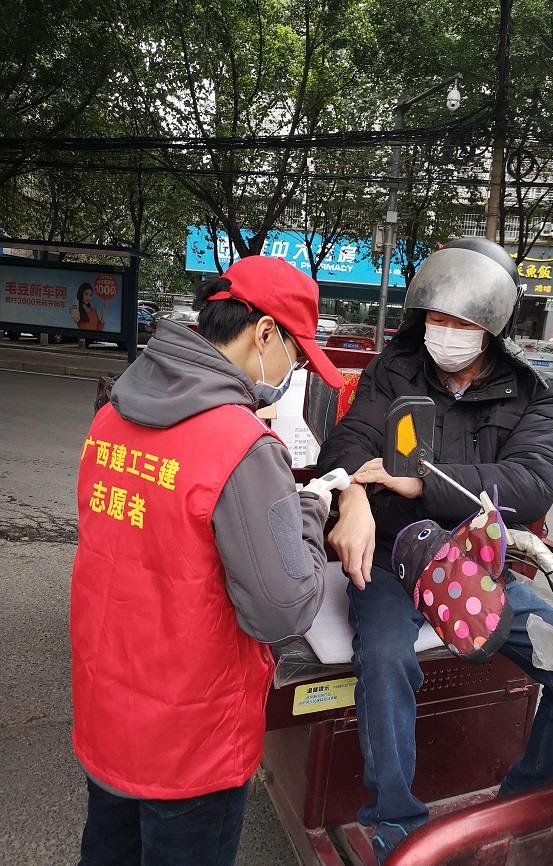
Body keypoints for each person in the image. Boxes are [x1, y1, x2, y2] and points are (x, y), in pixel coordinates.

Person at [316, 238, 553, 865]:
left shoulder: (531, 392)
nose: (445, 332)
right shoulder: (397, 367)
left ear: (493, 326)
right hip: (391, 558)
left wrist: (424, 481)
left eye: (462, 322)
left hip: (474, 563)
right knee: (384, 659)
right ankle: (396, 824)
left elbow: (533, 482)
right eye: (436, 317)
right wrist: (352, 497)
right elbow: (349, 441)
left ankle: (519, 800)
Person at [70, 255, 344, 866]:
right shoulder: (241, 445)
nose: (293, 373)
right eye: (297, 357)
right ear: (265, 333)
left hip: (107, 710)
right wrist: (310, 508)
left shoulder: (112, 415)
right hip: (192, 741)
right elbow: (283, 609)